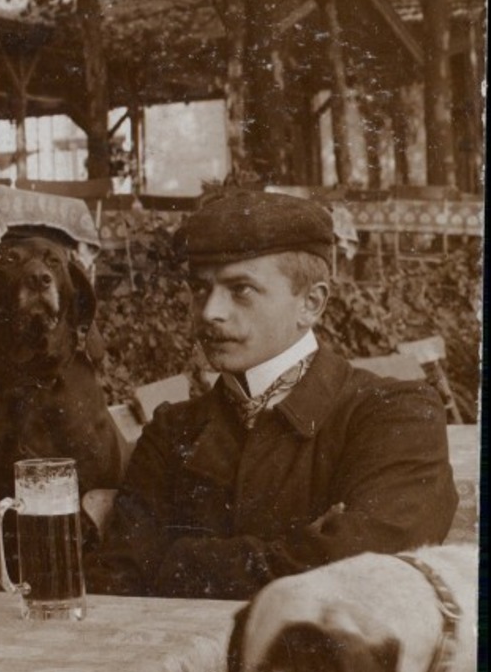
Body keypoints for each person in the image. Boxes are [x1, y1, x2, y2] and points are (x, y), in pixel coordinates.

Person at [91, 190, 457, 598]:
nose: (211, 311)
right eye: (200, 289)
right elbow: (120, 579)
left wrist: (175, 558)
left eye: (241, 289)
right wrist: (304, 549)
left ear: (311, 304)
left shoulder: (395, 416)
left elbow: (367, 573)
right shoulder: (172, 431)